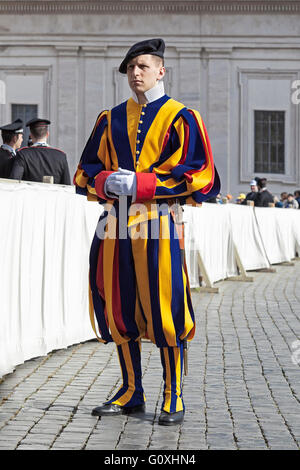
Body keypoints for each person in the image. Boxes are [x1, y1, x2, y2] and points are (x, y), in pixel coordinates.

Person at [73, 38, 220, 426]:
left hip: (158, 222)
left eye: (142, 66)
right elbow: (85, 171)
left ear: (160, 71)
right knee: (119, 304)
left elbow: (200, 175)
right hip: (114, 224)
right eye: (130, 68)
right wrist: (106, 181)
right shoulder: (111, 118)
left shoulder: (182, 117)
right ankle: (131, 389)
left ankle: (173, 392)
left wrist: (142, 185)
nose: (135, 73)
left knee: (165, 305)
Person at [10, 118, 71, 185]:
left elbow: (14, 182)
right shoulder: (61, 156)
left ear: (31, 136)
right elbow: (67, 185)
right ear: (47, 134)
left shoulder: (23, 154)